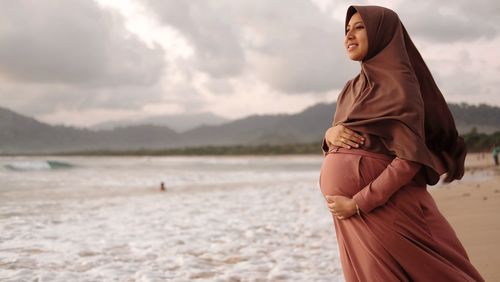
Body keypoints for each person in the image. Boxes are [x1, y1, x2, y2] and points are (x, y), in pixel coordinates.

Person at [318, 5, 484, 281]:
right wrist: (328, 135)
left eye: (359, 27)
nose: (349, 36)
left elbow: (409, 159)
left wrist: (359, 203)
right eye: (346, 30)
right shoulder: (351, 88)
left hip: (384, 210)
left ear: (383, 33)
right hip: (352, 215)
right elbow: (344, 140)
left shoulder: (400, 83)